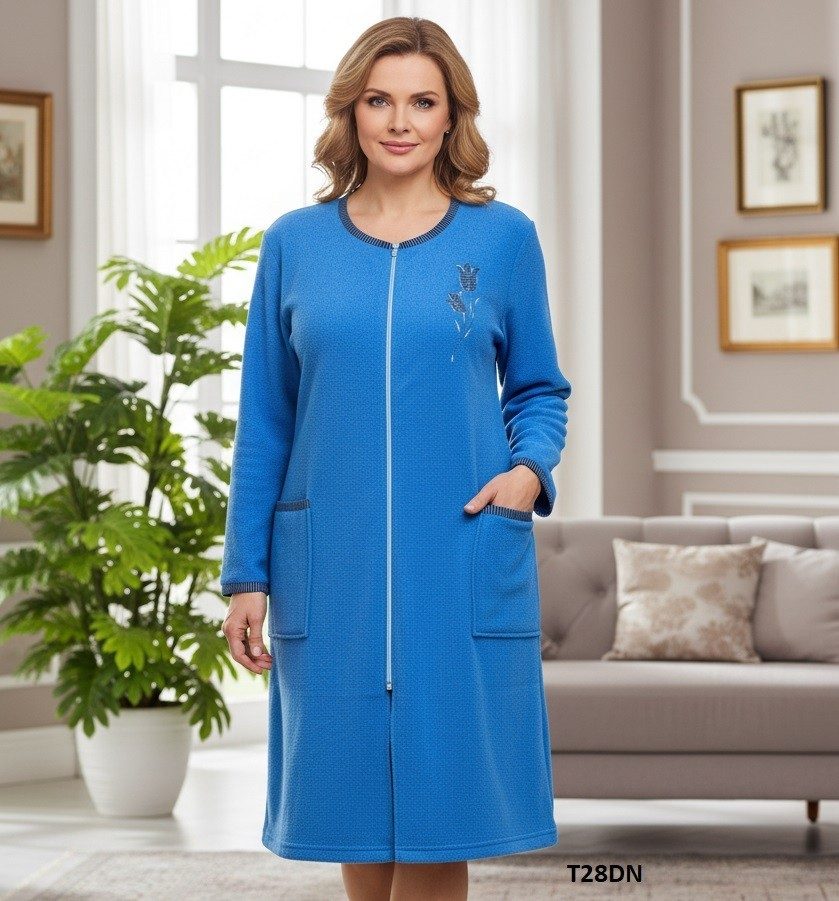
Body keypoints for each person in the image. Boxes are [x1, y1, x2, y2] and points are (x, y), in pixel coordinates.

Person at [220, 15, 572, 901]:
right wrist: (245, 575)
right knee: (350, 807)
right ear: (351, 111)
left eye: (422, 101)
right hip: (329, 569)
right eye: (379, 100)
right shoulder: (294, 243)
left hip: (456, 555)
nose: (400, 121)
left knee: (441, 813)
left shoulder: (501, 239)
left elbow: (538, 389)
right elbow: (264, 420)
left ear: (452, 116)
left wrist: (526, 472)